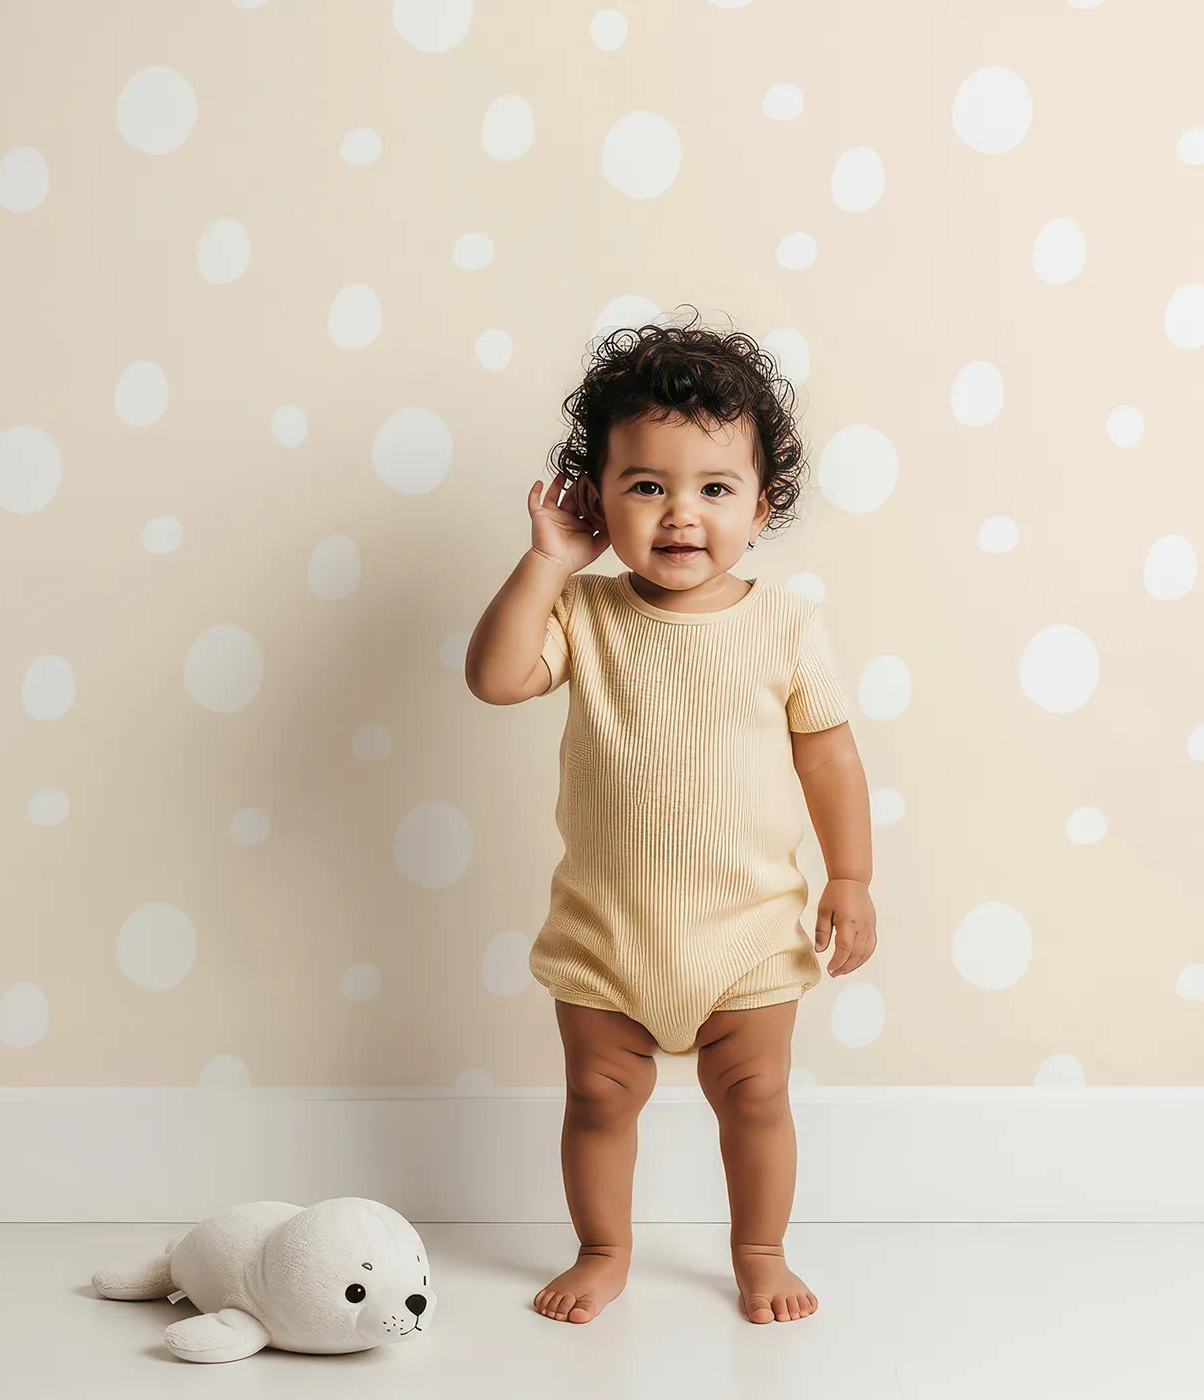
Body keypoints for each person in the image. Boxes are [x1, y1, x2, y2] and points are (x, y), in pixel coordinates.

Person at [465, 308, 878, 1326]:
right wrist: (548, 561)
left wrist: (850, 876)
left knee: (754, 1098)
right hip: (609, 930)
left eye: (712, 487)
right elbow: (494, 677)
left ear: (762, 502)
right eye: (644, 485)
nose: (678, 513)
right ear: (597, 499)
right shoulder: (585, 615)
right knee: (598, 1098)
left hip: (745, 929)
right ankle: (603, 1246)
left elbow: (827, 752)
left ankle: (758, 1248)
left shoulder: (784, 623)